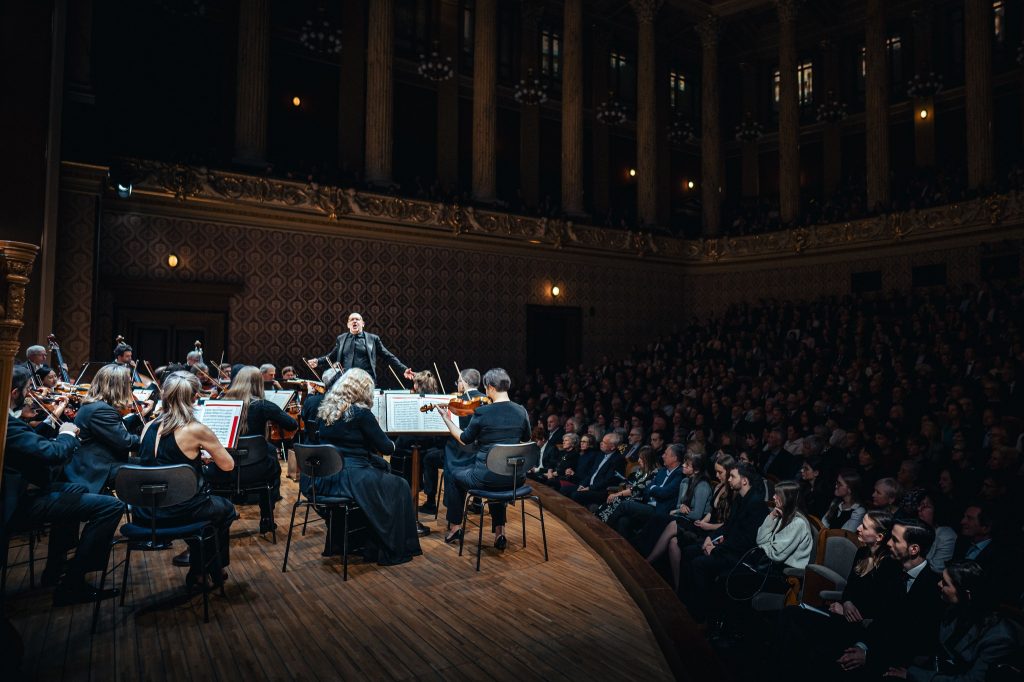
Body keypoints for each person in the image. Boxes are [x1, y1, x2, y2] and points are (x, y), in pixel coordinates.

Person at [3, 366, 124, 605]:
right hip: (14, 503)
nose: (32, 395)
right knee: (110, 507)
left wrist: (51, 424)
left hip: (26, 490)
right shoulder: (6, 423)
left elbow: (31, 442)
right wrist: (67, 434)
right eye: (28, 390)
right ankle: (73, 582)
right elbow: (51, 453)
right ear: (15, 392)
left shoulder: (11, 421)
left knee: (75, 489)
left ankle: (55, 567)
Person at [304, 368, 421, 565]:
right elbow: (386, 447)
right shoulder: (361, 413)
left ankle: (356, 542)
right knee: (400, 485)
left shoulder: (325, 411)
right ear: (363, 390)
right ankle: (385, 545)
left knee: (383, 473)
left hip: (325, 477)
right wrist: (395, 440)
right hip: (352, 477)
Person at [135, 371, 237, 587]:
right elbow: (228, 465)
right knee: (225, 509)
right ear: (194, 398)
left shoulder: (147, 427)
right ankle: (209, 568)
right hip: (177, 510)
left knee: (209, 509)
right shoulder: (195, 429)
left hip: (146, 511)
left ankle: (202, 569)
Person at [778, 510, 902, 678]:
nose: (858, 528)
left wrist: (846, 609)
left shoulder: (889, 566)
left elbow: (881, 610)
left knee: (804, 636)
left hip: (861, 629)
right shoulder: (862, 553)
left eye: (864, 527)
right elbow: (849, 588)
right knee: (790, 614)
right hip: (842, 619)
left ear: (879, 537)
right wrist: (847, 602)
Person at [436, 368, 531, 549]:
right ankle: (499, 532)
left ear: (490, 387)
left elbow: (464, 439)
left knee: (455, 475)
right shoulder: (521, 411)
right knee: (499, 472)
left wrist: (446, 419)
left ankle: (455, 527)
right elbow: (526, 440)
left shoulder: (483, 412)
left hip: (485, 478)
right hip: (514, 479)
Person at [885, 560, 1024, 680]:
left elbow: (972, 680)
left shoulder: (999, 638)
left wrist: (914, 675)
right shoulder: (954, 610)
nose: (939, 584)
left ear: (967, 594)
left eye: (946, 583)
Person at [206, 366, 296, 534]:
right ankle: (267, 518)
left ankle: (218, 520)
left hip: (223, 468)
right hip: (257, 470)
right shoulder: (263, 405)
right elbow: (292, 424)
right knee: (272, 463)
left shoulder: (221, 402)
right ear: (258, 383)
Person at [65, 364, 153, 493]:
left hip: (100, 461)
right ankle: (142, 510)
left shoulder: (97, 406)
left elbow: (115, 429)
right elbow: (125, 442)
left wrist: (140, 416)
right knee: (153, 470)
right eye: (128, 383)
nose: (131, 387)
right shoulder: (101, 410)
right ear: (118, 386)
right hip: (97, 469)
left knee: (148, 463)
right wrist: (153, 440)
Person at [309, 311, 415, 386]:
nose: (354, 321)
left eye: (357, 319)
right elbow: (332, 356)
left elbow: (388, 356)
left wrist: (403, 369)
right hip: (345, 382)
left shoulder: (373, 339)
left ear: (362, 324)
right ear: (348, 324)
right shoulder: (341, 339)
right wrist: (318, 361)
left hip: (366, 382)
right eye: (352, 319)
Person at [605, 443, 684, 540]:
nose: (663, 456)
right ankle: (619, 546)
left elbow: (665, 493)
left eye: (666, 454)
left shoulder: (679, 474)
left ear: (674, 458)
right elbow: (647, 490)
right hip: (647, 504)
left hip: (659, 510)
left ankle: (604, 529)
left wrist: (654, 489)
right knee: (623, 520)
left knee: (625, 504)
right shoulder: (663, 471)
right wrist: (655, 490)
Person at [597, 445, 659, 524]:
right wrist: (627, 486)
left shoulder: (654, 474)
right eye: (639, 457)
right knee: (613, 498)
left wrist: (617, 494)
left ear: (648, 460)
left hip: (640, 499)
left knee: (617, 499)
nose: (639, 460)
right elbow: (631, 482)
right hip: (630, 495)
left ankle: (604, 524)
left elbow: (637, 490)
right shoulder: (641, 470)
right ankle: (598, 519)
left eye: (641, 458)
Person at [569, 431, 626, 508]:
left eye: (604, 442)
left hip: (600, 491)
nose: (601, 443)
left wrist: (589, 488)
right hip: (589, 486)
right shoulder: (600, 454)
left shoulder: (618, 460)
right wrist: (582, 485)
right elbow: (591, 473)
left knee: (575, 495)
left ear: (612, 447)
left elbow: (607, 481)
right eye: (602, 441)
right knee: (565, 489)